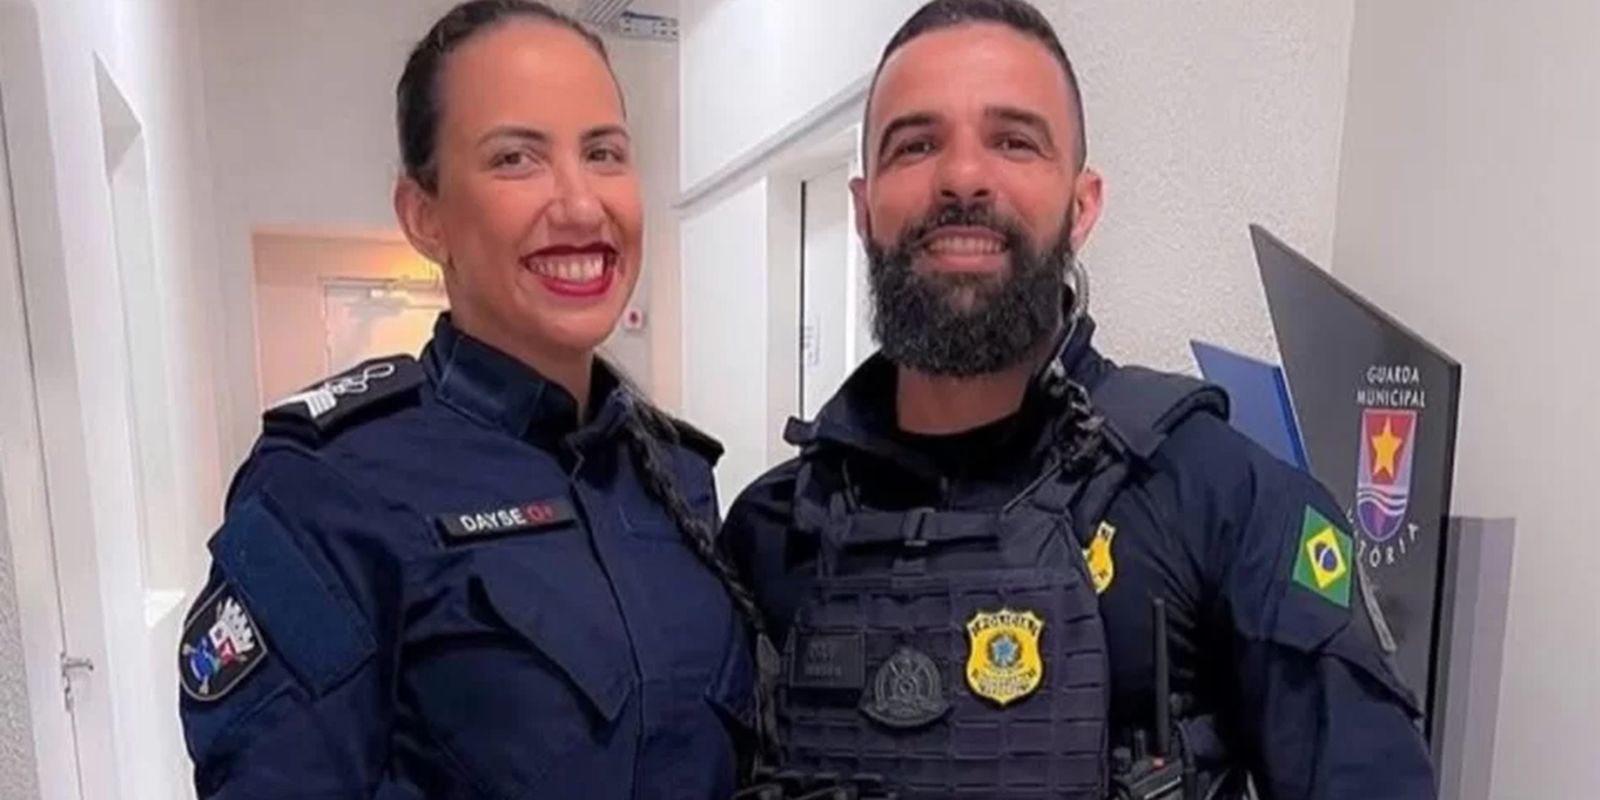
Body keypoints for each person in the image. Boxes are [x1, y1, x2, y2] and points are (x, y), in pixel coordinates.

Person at [722, 1, 1434, 798]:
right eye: (916, 144)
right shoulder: (772, 532)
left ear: (1082, 205)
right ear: (863, 210)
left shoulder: (1221, 501)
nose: (962, 176)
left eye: (1014, 141)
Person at [176, 2, 762, 797]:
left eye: (603, 152)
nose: (580, 204)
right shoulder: (328, 491)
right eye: (515, 158)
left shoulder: (674, 476)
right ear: (425, 217)